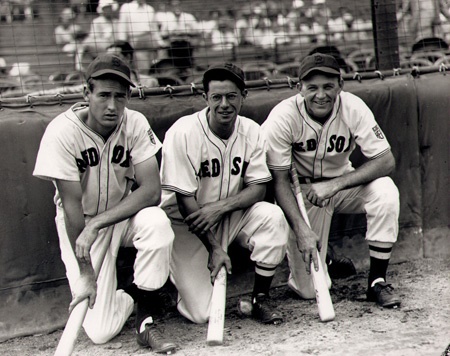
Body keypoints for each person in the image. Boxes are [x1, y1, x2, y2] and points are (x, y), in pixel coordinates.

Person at [33, 53, 177, 354]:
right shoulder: (62, 132)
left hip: (121, 215)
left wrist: (100, 222)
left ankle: (146, 318)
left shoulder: (135, 122)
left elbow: (151, 191)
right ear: (87, 93)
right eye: (104, 95)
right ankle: (128, 293)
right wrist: (86, 273)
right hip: (80, 224)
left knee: (157, 223)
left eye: (120, 96)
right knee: (101, 332)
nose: (112, 105)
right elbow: (72, 209)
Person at [261, 53, 401, 308]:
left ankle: (377, 282)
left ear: (340, 85)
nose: (321, 94)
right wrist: (302, 230)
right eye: (312, 87)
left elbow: (386, 161)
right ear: (299, 87)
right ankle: (324, 259)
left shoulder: (352, 106)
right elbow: (278, 181)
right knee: (307, 290)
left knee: (385, 191)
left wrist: (335, 184)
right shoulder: (283, 116)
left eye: (328, 86)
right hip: (302, 193)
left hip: (342, 183)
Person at [160, 63, 290, 324]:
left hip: (228, 215)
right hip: (186, 224)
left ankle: (259, 299)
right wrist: (215, 247)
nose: (224, 104)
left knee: (272, 216)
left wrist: (219, 209)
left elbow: (258, 188)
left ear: (243, 96)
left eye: (231, 96)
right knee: (201, 315)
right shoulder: (183, 132)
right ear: (204, 98)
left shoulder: (252, 130)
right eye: (216, 97)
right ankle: (168, 284)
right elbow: (186, 202)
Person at [117, 0, 164, 74]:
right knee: (142, 67)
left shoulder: (149, 9)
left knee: (154, 66)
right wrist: (122, 42)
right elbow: (122, 26)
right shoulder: (126, 7)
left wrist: (160, 42)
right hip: (136, 41)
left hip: (150, 40)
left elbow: (154, 28)